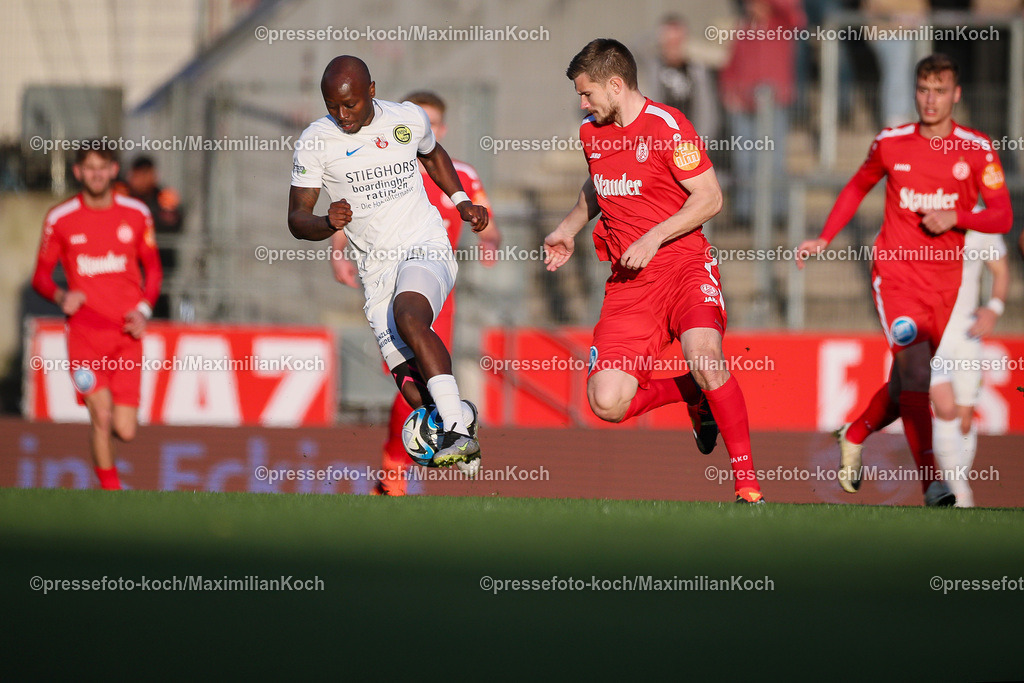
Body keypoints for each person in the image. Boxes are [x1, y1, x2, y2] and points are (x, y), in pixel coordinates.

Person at [544, 38, 766, 504]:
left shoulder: (668, 127)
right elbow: (598, 183)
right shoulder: (591, 132)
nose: (582, 104)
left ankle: (747, 486)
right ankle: (692, 393)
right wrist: (567, 229)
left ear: (616, 85)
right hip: (630, 284)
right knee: (606, 402)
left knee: (706, 358)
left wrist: (653, 236)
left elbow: (710, 197)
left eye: (587, 93)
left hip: (685, 267)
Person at [796, 54, 1013, 506]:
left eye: (940, 91)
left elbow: (1002, 216)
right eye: (923, 90)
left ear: (956, 95)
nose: (930, 100)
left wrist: (956, 216)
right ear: (915, 92)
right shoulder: (891, 142)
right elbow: (858, 185)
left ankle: (855, 433)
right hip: (895, 275)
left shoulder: (976, 149)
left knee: (904, 385)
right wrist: (824, 237)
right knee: (917, 372)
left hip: (945, 283)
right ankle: (933, 484)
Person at [288, 56, 489, 471]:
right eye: (332, 106)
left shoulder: (407, 118)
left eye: (350, 105)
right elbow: (296, 219)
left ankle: (456, 429)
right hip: (375, 271)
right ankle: (460, 418)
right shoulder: (316, 141)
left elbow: (433, 154)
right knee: (413, 390)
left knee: (410, 315)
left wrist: (461, 201)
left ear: (372, 91)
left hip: (424, 244)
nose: (342, 115)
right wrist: (326, 222)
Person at [329, 90, 501, 495]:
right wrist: (338, 253)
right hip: (388, 280)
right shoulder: (385, 167)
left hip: (435, 286)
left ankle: (405, 462)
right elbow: (348, 211)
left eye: (433, 122)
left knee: (431, 371)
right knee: (408, 378)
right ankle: (445, 433)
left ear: (441, 129)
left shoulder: (462, 174)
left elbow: (489, 225)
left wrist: (488, 239)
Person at [31, 144, 163, 490]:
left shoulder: (136, 213)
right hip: (84, 336)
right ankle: (112, 495)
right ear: (78, 172)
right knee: (101, 415)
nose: (96, 174)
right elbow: (40, 277)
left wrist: (144, 310)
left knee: (125, 429)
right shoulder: (60, 218)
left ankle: (108, 474)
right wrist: (62, 296)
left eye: (102, 167)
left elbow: (153, 269)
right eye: (89, 168)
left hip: (127, 336)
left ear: (113, 170)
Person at [930, 230, 1008, 508]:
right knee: (945, 408)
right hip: (931, 327)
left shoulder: (981, 223)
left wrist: (994, 308)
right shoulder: (922, 213)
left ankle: (954, 491)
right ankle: (961, 495)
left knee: (964, 418)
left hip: (966, 331)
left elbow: (1000, 268)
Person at [718, 0, 805, 225]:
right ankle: (746, 213)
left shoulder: (782, 25)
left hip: (774, 105)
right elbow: (731, 65)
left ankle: (776, 212)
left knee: (774, 160)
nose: (752, 6)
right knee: (744, 161)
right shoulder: (743, 29)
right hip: (743, 104)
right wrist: (729, 93)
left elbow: (793, 10)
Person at [649, 15, 719, 141]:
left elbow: (707, 108)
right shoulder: (652, 68)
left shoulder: (697, 69)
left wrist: (702, 138)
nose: (673, 47)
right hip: (660, 140)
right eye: (669, 41)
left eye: (678, 41)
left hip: (692, 139)